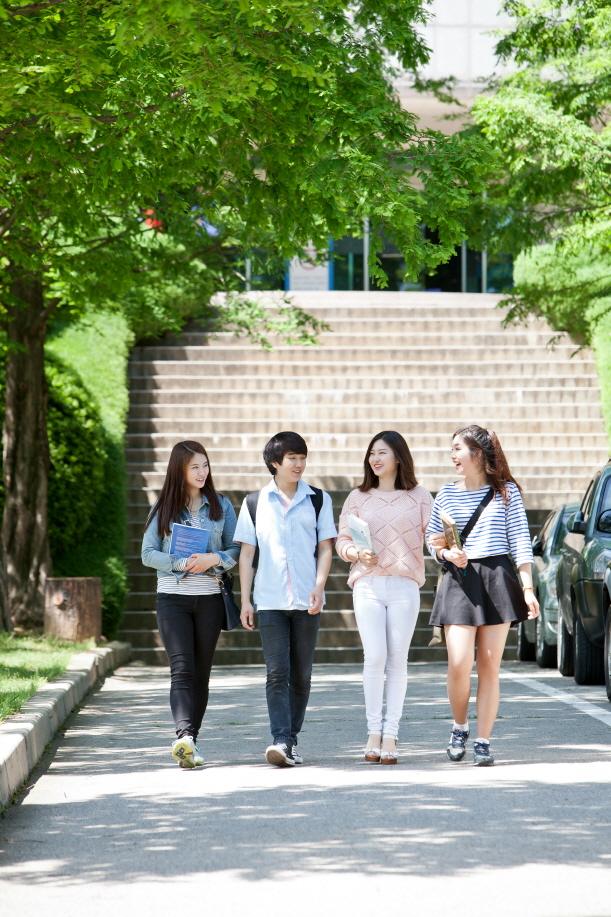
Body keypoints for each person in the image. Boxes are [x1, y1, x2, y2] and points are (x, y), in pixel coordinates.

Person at [426, 425, 539, 767]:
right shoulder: (446, 494)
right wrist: (448, 555)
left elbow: (520, 542)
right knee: (459, 663)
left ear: (477, 453)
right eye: (452, 449)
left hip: (497, 580)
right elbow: (433, 541)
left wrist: (528, 589)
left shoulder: (506, 493)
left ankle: (483, 740)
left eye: (458, 448)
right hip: (460, 578)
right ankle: (459, 726)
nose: (452, 455)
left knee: (489, 665)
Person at [234, 431, 337, 767]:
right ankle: (281, 738)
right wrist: (245, 601)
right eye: (292, 458)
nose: (299, 463)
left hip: (307, 600)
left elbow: (325, 548)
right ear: (275, 463)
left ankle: (289, 740)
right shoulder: (253, 502)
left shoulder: (318, 499)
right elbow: (247, 555)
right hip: (270, 602)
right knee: (277, 672)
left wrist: (320, 586)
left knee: (301, 674)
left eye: (302, 457)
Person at [336, 431, 433, 764]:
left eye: (382, 453)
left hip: (404, 586)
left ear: (398, 457)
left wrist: (447, 547)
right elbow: (342, 540)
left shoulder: (419, 496)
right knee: (374, 657)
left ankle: (391, 735)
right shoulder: (358, 497)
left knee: (397, 661)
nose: (375, 459)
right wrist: (355, 553)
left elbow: (432, 538)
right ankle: (372, 731)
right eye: (371, 454)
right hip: (368, 586)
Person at [141, 440, 240, 768]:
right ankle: (183, 736)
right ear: (180, 470)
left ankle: (190, 742)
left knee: (201, 674)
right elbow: (147, 554)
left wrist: (215, 557)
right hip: (173, 599)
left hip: (210, 599)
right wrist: (180, 563)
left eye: (205, 465)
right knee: (182, 669)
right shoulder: (163, 508)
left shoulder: (221, 506)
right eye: (194, 466)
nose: (201, 472)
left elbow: (236, 550)